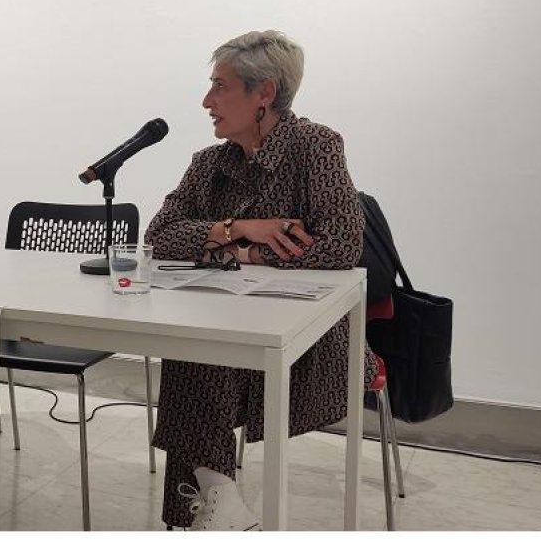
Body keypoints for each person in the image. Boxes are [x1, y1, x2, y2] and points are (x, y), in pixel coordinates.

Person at [144, 30, 377, 531]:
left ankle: (212, 499)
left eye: (219, 87)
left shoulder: (316, 146)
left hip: (308, 339)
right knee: (198, 336)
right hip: (225, 327)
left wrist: (233, 254)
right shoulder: (210, 164)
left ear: (264, 94)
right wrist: (240, 232)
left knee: (198, 344)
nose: (207, 101)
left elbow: (341, 245)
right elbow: (160, 235)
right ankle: (219, 500)